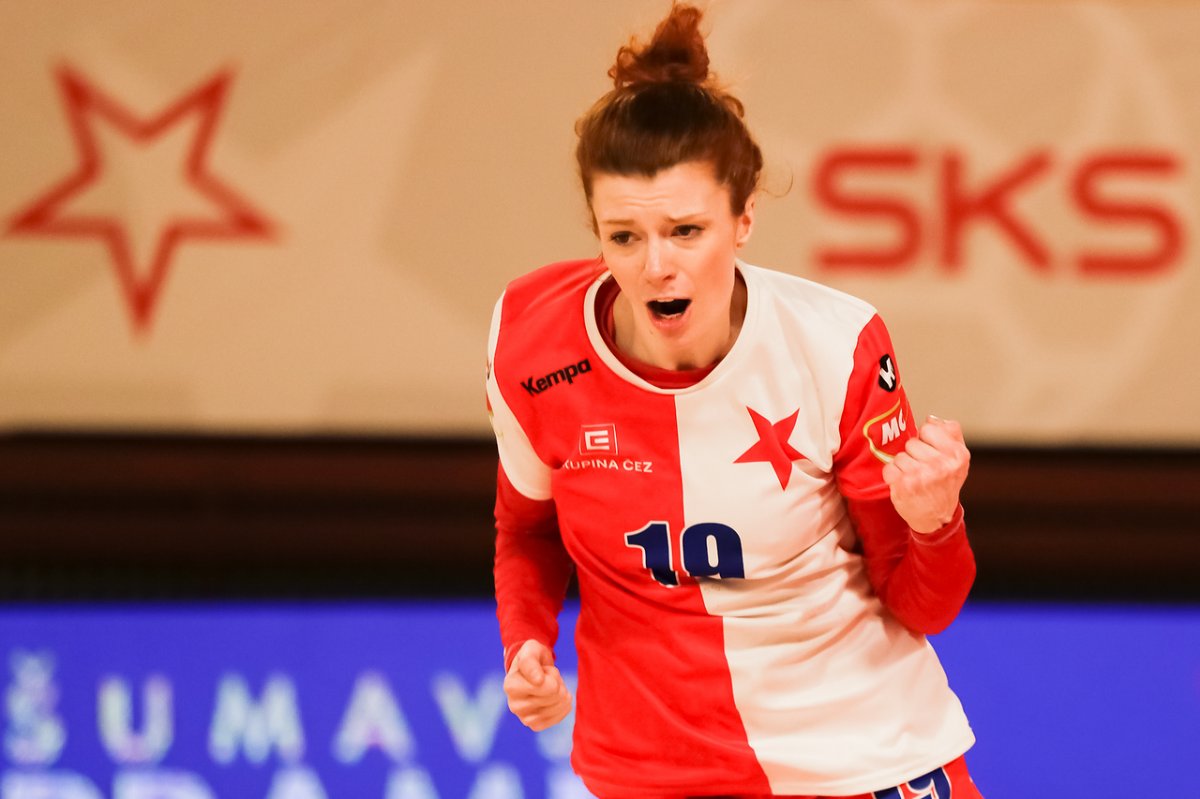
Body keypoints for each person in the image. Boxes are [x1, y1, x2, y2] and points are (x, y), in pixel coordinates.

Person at [484, 4, 982, 797]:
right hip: (649, 771)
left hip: (859, 757)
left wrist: (935, 520)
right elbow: (527, 529)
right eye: (623, 236)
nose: (655, 266)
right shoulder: (531, 339)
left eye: (686, 230)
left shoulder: (835, 344)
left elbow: (926, 606)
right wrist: (526, 643)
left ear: (744, 218)